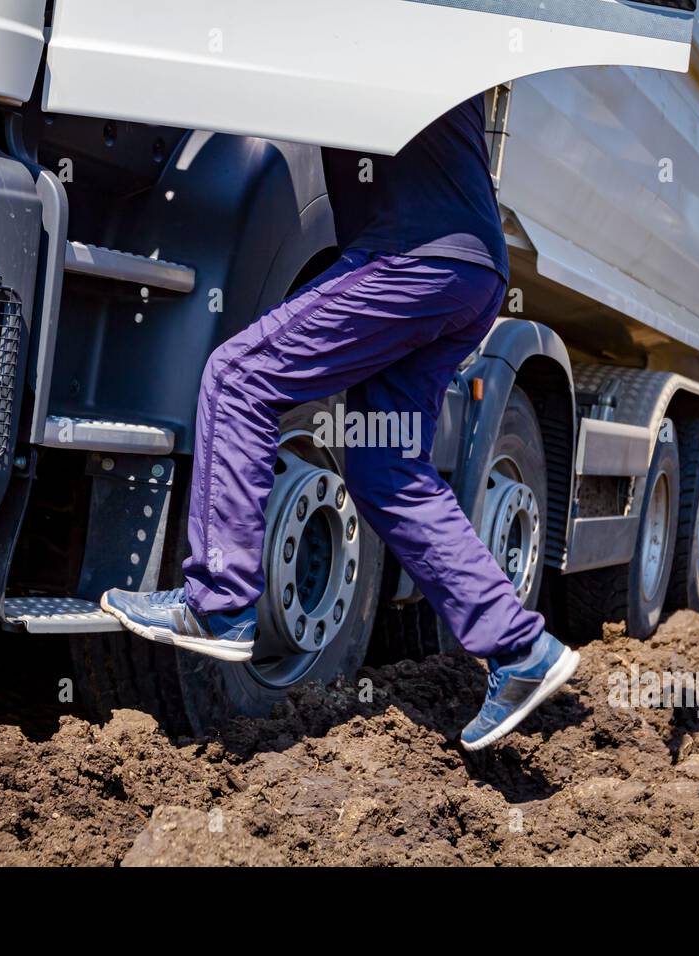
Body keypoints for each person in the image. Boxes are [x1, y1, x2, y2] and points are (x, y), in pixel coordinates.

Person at [101, 95, 580, 751]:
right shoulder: (447, 37)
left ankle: (220, 604)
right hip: (473, 268)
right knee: (388, 472)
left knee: (239, 377)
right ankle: (519, 649)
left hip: (411, 255)